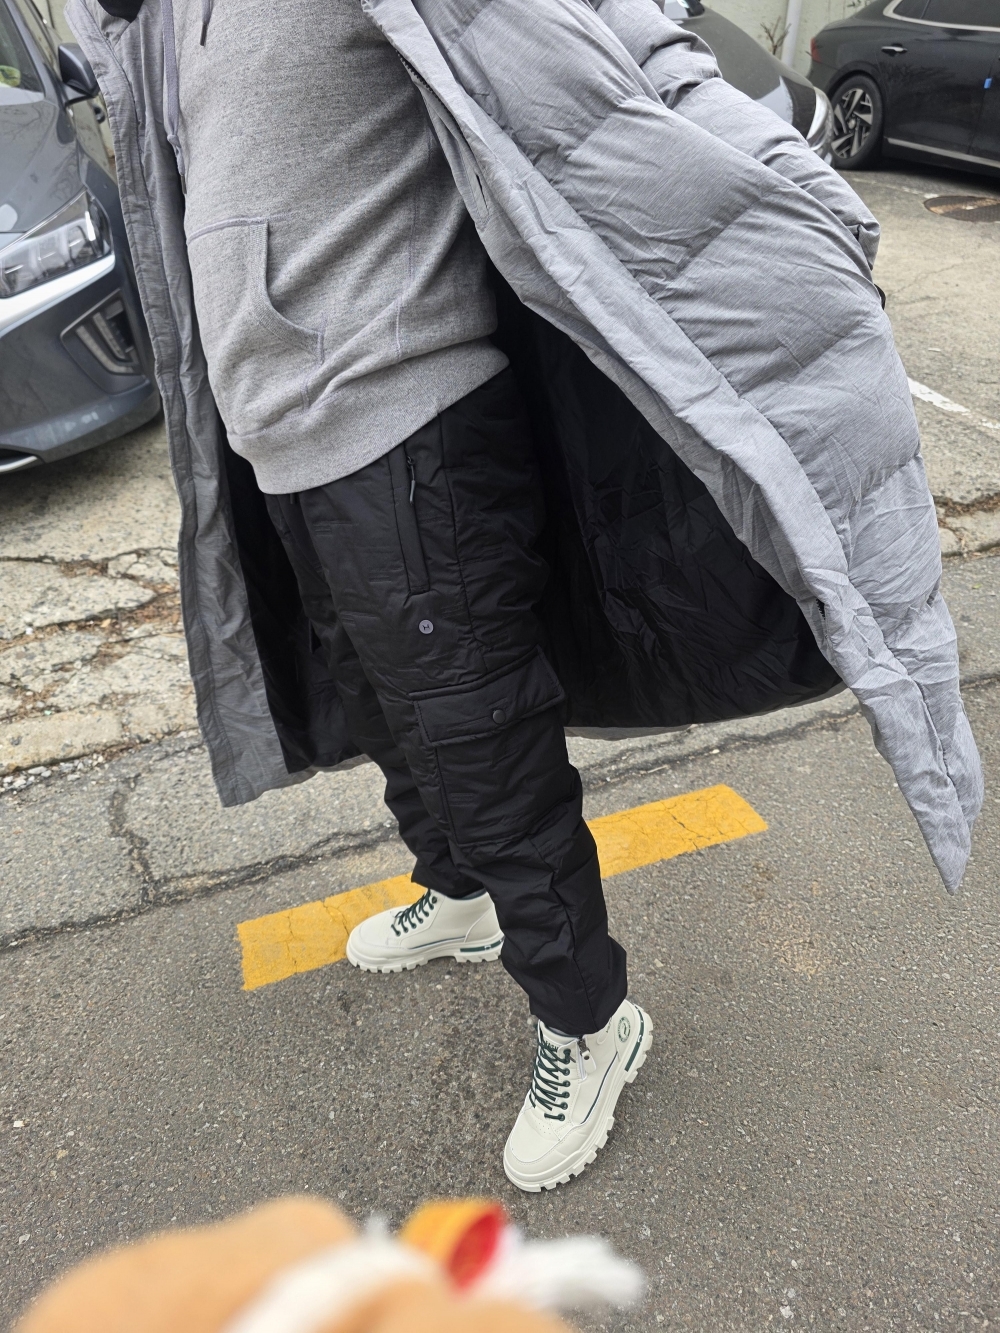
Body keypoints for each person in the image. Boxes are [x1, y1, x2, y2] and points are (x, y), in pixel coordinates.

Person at [69, 0, 979, 1193]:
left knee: (480, 742)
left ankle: (589, 1020)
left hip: (410, 425)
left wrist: (799, 194)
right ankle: (458, 893)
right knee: (380, 708)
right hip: (276, 444)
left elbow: (629, 54)